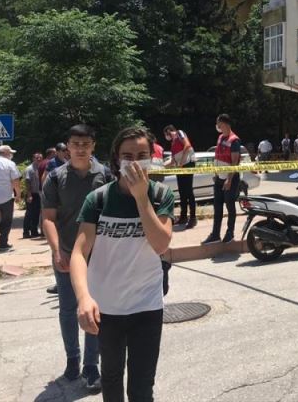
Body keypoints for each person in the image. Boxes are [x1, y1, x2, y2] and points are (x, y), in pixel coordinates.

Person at [71, 127, 174, 402]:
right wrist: (83, 298)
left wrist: (141, 197)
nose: (135, 162)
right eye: (127, 156)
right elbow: (79, 253)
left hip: (147, 306)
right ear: (117, 159)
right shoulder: (98, 199)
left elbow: (160, 244)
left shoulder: (161, 195)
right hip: (107, 308)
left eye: (142, 155)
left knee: (141, 388)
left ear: (152, 157)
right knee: (112, 379)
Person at [42, 124, 108, 389]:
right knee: (68, 310)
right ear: (67, 147)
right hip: (66, 255)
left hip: (98, 256)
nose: (80, 149)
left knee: (94, 308)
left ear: (93, 146)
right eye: (75, 144)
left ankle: (91, 365)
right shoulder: (55, 178)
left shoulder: (105, 175)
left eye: (85, 144)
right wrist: (57, 250)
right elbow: (48, 218)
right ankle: (72, 358)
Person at [202, 114, 242, 245]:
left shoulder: (234, 140)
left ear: (225, 124)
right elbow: (217, 156)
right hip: (219, 178)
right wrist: (215, 173)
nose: (217, 126)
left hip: (230, 179)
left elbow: (235, 162)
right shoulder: (220, 137)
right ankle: (215, 234)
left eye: (219, 123)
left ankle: (230, 233)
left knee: (230, 206)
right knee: (217, 207)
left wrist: (229, 180)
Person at [163, 125, 196, 229]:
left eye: (166, 134)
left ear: (169, 131)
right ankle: (183, 217)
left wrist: (182, 161)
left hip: (187, 164)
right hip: (180, 167)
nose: (166, 137)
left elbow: (187, 145)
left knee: (188, 191)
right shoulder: (173, 143)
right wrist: (161, 166)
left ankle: (193, 218)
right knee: (182, 192)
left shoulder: (179, 133)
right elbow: (173, 161)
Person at [22, 152, 43, 239]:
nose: (39, 159)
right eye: (37, 157)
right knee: (29, 214)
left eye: (40, 158)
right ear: (33, 158)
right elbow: (27, 182)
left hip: (38, 194)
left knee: (36, 213)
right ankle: (26, 232)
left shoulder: (40, 168)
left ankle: (34, 231)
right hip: (31, 194)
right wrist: (29, 195)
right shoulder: (29, 169)